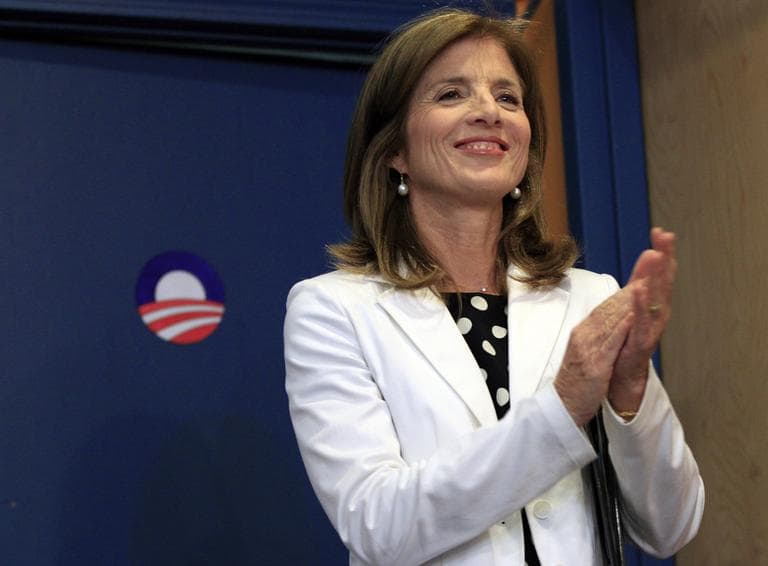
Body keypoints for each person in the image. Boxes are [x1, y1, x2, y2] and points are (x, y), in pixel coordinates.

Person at [284, 8, 704, 566]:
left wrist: (630, 392)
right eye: (452, 94)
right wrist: (562, 408)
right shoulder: (332, 309)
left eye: (508, 98)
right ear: (394, 150)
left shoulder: (590, 297)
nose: (489, 112)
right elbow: (378, 525)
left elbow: (671, 527)